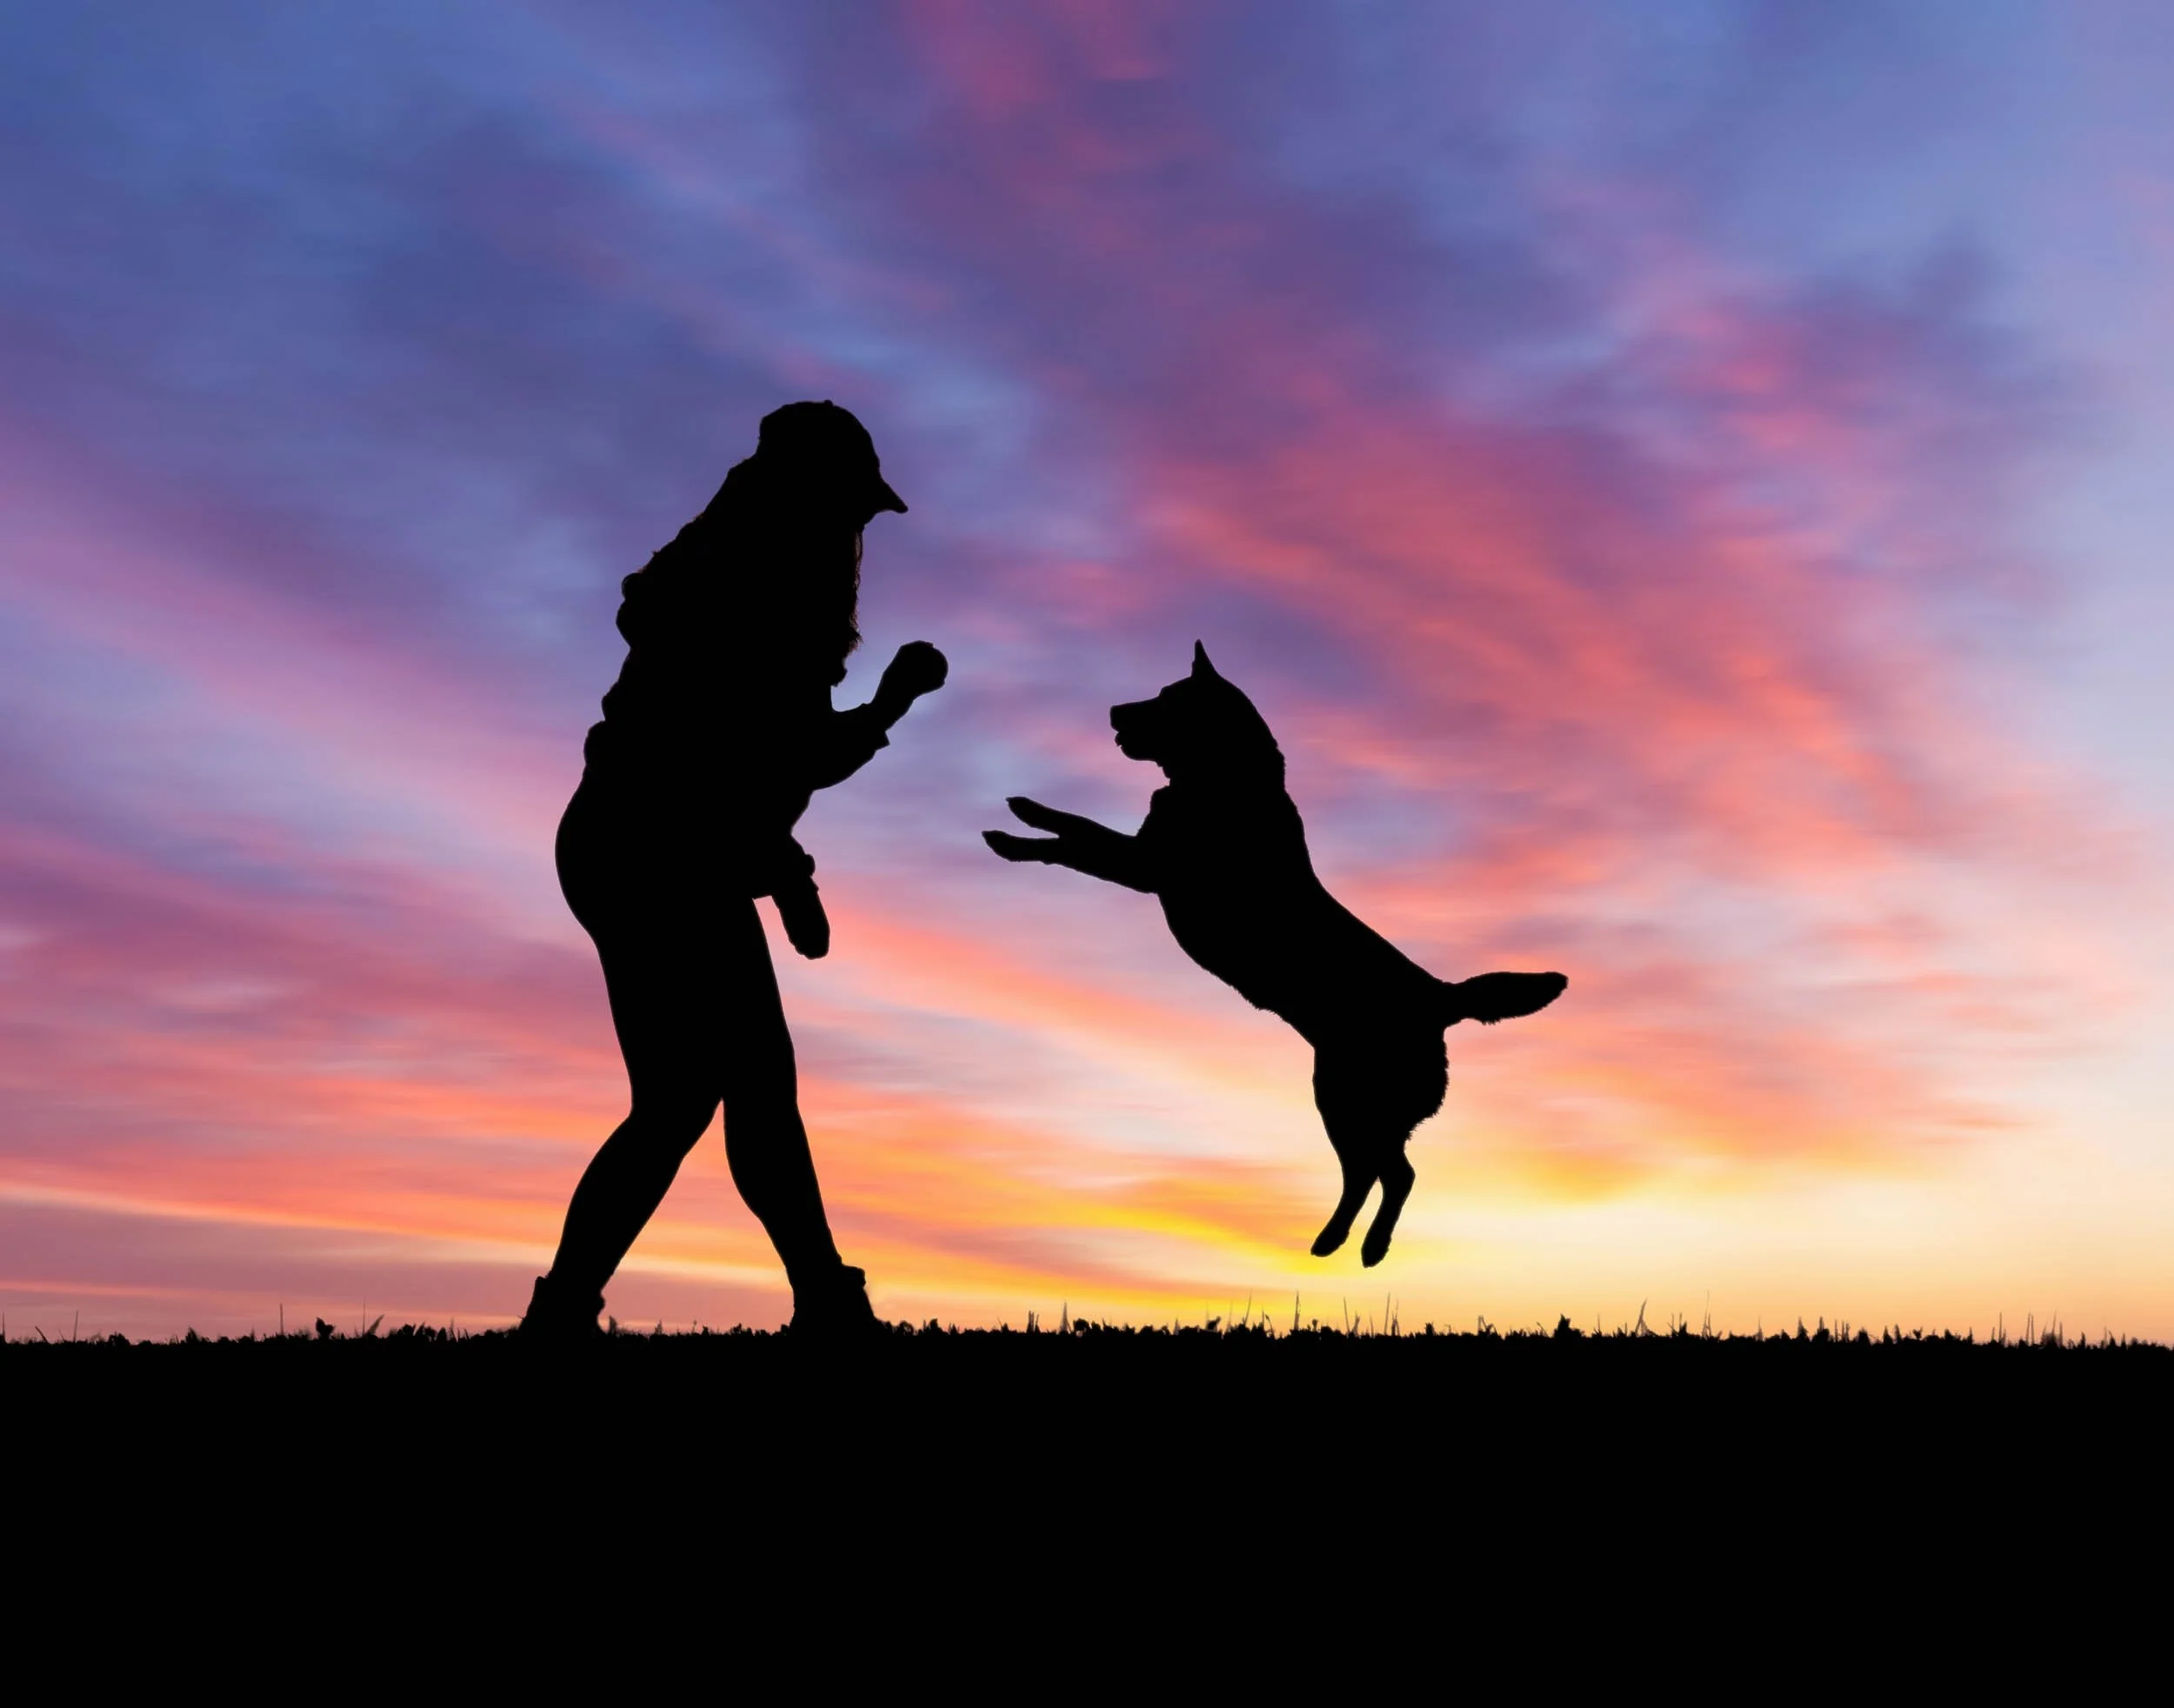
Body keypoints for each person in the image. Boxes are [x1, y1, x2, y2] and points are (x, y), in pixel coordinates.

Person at [522, 401, 947, 1338]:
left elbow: (752, 764)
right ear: (816, 496)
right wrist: (889, 704)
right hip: (660, 849)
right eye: (852, 507)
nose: (858, 531)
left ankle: (813, 1297)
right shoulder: (771, 588)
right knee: (706, 1091)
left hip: (638, 841)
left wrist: (777, 860)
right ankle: (814, 1302)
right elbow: (789, 757)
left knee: (721, 1089)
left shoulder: (714, 569)